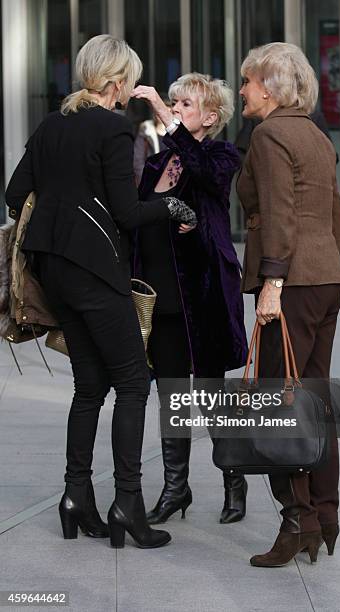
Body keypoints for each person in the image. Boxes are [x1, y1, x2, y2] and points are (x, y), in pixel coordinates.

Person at [5, 34, 196, 550]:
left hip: (53, 272)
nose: (132, 89)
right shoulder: (113, 127)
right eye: (130, 80)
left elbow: (13, 194)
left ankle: (76, 497)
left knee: (90, 386)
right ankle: (127, 504)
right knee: (134, 382)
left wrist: (64, 206)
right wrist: (174, 207)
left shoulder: (52, 125)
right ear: (115, 82)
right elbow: (129, 214)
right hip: (93, 271)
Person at [237, 42, 340, 567]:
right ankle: (325, 515)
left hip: (293, 283)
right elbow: (335, 217)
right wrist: (318, 262)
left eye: (247, 81)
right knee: (316, 399)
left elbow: (278, 212)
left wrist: (273, 282)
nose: (241, 91)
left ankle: (297, 521)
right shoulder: (316, 136)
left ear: (270, 87)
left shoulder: (270, 134)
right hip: (326, 279)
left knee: (281, 404)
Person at [131, 73, 248, 525]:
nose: (175, 108)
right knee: (172, 398)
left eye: (185, 103)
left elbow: (205, 177)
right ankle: (176, 488)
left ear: (210, 117)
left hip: (203, 296)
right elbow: (140, 216)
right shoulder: (161, 164)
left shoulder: (220, 154)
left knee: (211, 396)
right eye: (173, 102)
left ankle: (233, 481)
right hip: (160, 296)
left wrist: (162, 115)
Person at [133, 100, 170, 185]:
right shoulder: (146, 130)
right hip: (148, 183)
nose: (162, 115)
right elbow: (137, 161)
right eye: (159, 111)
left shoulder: (176, 135)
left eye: (166, 111)